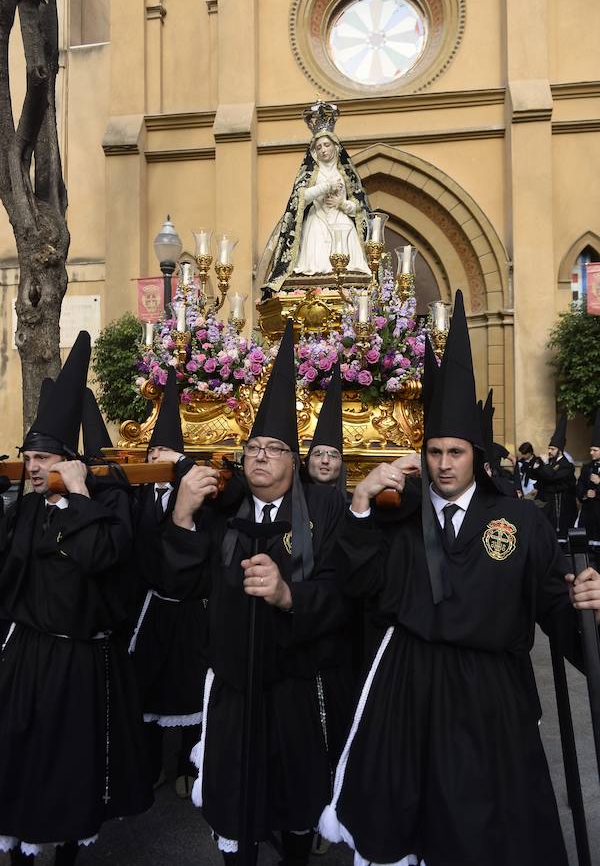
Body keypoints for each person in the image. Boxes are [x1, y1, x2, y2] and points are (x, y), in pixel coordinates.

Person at [318, 290, 600, 866]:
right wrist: (363, 505)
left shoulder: (521, 521)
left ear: (476, 455)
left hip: (490, 694)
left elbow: (554, 603)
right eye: (434, 452)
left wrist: (587, 607)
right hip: (409, 687)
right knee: (405, 821)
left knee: (485, 829)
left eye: (455, 452)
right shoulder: (398, 515)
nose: (444, 464)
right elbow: (356, 585)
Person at [159, 321, 352, 865]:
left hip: (294, 689)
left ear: (296, 460)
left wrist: (290, 597)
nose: (260, 456)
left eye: (274, 449)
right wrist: (181, 514)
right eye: (253, 448)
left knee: (294, 804)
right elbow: (179, 585)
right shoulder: (224, 516)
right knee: (234, 808)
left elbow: (343, 595)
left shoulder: (322, 516)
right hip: (233, 694)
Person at [0, 332, 152, 865]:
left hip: (80, 660)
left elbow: (103, 559)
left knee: (70, 765)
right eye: (30, 457)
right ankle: (17, 851)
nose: (36, 467)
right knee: (17, 756)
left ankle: (67, 851)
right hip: (27, 656)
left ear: (69, 462)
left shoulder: (104, 508)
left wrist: (81, 496)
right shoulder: (22, 510)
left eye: (46, 458)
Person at [128, 367, 208, 798]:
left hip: (189, 610)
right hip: (149, 605)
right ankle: (152, 763)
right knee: (149, 687)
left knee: (187, 686)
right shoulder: (135, 496)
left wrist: (185, 470)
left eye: (169, 452)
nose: (159, 456)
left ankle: (185, 766)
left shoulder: (195, 496)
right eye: (154, 449)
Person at [262, 102, 371, 297]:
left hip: (341, 222)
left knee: (351, 269)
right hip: (317, 221)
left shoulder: (346, 174)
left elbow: (359, 208)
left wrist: (342, 204)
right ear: (314, 151)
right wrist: (325, 187)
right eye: (319, 147)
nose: (323, 150)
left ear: (335, 147)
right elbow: (300, 198)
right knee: (313, 267)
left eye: (327, 145)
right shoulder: (310, 173)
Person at [532, 414, 578, 540]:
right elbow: (540, 478)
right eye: (549, 448)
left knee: (558, 535)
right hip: (545, 501)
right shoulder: (550, 462)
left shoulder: (567, 466)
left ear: (560, 450)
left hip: (560, 505)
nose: (549, 451)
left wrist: (545, 465)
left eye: (552, 449)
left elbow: (552, 477)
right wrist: (536, 467)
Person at [303, 362, 346, 493]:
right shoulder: (289, 506)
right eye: (318, 454)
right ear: (307, 461)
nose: (325, 461)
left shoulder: (355, 506)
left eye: (333, 456)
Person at [576, 407, 600, 563]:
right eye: (591, 450)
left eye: (595, 450)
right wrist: (584, 494)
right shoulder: (587, 467)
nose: (591, 453)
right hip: (589, 513)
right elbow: (579, 486)